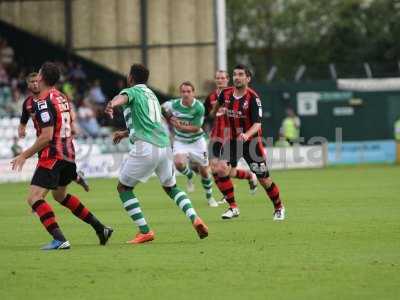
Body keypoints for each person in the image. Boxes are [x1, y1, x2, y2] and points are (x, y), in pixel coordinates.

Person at [11, 62, 112, 250]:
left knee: (34, 198)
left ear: (41, 78)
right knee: (60, 196)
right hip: (69, 155)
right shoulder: (62, 97)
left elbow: (46, 137)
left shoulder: (42, 102)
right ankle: (101, 228)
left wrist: (23, 155)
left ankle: (59, 239)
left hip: (52, 156)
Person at [105, 64, 208, 244]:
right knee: (172, 187)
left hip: (145, 147)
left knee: (124, 188)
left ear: (131, 78)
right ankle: (195, 218)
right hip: (164, 145)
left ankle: (145, 231)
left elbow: (122, 97)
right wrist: (124, 132)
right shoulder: (151, 95)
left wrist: (111, 104)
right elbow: (149, 123)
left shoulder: (133, 91)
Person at [210, 64, 285, 220]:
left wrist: (246, 134)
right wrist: (216, 112)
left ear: (248, 78)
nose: (237, 77)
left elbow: (257, 124)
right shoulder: (225, 93)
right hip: (232, 140)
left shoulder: (253, 98)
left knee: (264, 180)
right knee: (221, 169)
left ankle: (279, 207)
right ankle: (233, 207)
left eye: (241, 74)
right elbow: (215, 108)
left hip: (252, 143)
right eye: (235, 74)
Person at [19, 72, 89, 192]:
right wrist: (22, 130)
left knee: (46, 178)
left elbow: (69, 112)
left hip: (54, 142)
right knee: (59, 176)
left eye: (37, 81)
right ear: (28, 85)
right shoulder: (28, 103)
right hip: (42, 143)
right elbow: (23, 120)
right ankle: (77, 177)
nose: (35, 84)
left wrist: (72, 125)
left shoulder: (52, 97)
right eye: (32, 82)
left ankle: (37, 202)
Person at [204, 70, 258, 203]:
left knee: (229, 172)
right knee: (214, 168)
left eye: (222, 78)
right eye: (217, 78)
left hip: (231, 138)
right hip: (216, 137)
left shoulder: (236, 95)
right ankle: (227, 196)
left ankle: (249, 176)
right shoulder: (210, 98)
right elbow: (204, 115)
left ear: (227, 80)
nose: (220, 80)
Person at [162, 81, 218, 207]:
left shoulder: (199, 107)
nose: (186, 94)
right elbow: (161, 108)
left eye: (188, 91)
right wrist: (169, 118)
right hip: (180, 141)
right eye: (183, 91)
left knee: (204, 171)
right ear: (180, 93)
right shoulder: (174, 104)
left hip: (197, 141)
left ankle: (210, 197)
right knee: (178, 163)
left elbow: (196, 128)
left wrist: (179, 125)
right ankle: (190, 175)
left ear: (193, 93)